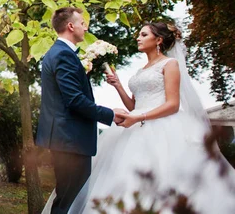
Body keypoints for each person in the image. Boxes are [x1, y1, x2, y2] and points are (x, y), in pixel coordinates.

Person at [66, 22, 235, 213]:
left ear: (159, 40)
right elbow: (134, 106)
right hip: (136, 123)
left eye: (143, 34)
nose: (138, 38)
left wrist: (140, 118)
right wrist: (119, 86)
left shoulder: (170, 64)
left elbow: (172, 105)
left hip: (163, 128)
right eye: (139, 34)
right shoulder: (142, 69)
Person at [36, 7, 127, 214]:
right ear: (71, 26)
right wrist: (110, 114)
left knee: (66, 198)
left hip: (65, 138)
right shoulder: (64, 55)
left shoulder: (60, 53)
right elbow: (74, 100)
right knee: (66, 201)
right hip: (70, 139)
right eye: (82, 23)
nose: (85, 28)